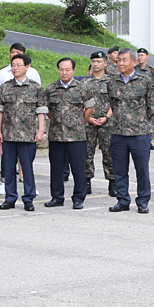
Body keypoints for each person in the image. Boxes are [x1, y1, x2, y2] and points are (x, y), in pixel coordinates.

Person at [0, 54, 47, 212]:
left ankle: (28, 198)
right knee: (9, 168)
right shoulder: (5, 87)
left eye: (18, 65)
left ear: (27, 66)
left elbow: (41, 111)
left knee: (27, 168)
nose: (15, 68)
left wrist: (41, 131)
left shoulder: (35, 88)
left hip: (28, 135)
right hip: (9, 135)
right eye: (13, 65)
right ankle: (10, 198)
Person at [107, 48, 154, 214]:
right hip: (118, 133)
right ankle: (122, 200)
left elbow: (151, 108)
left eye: (124, 60)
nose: (120, 63)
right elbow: (112, 105)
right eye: (119, 60)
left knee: (142, 170)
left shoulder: (145, 81)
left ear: (134, 62)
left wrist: (139, 121)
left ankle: (143, 201)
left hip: (139, 134)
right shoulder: (112, 82)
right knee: (120, 171)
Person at [44, 58, 95, 210]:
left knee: (79, 169)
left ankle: (78, 198)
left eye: (67, 69)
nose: (64, 72)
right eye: (61, 69)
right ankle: (57, 197)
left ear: (73, 70)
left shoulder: (82, 88)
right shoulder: (51, 88)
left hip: (77, 136)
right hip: (56, 136)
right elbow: (48, 110)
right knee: (56, 169)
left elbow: (89, 109)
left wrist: (79, 123)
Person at [83, 51, 116, 197]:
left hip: (107, 123)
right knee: (86, 153)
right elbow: (80, 103)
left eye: (99, 61)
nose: (95, 64)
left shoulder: (113, 81)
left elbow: (116, 102)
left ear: (105, 63)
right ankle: (87, 181)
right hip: (89, 122)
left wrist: (106, 117)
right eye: (93, 61)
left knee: (109, 153)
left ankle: (113, 183)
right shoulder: (84, 82)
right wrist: (89, 118)